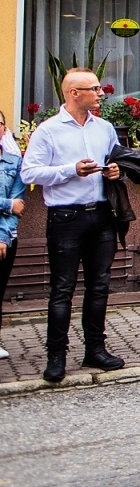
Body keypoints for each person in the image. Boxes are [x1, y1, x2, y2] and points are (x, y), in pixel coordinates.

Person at [20, 67, 125, 382]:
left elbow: (117, 161)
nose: (100, 93)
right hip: (66, 217)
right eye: (94, 88)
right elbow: (29, 172)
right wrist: (71, 170)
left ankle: (95, 350)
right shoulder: (49, 131)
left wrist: (116, 171)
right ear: (74, 93)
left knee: (99, 285)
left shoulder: (104, 127)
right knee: (63, 288)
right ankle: (57, 356)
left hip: (102, 213)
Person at [0, 110, 27, 360]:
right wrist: (6, 204)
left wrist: (2, 237)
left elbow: (19, 204)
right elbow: (11, 204)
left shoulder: (13, 161)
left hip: (5, 237)